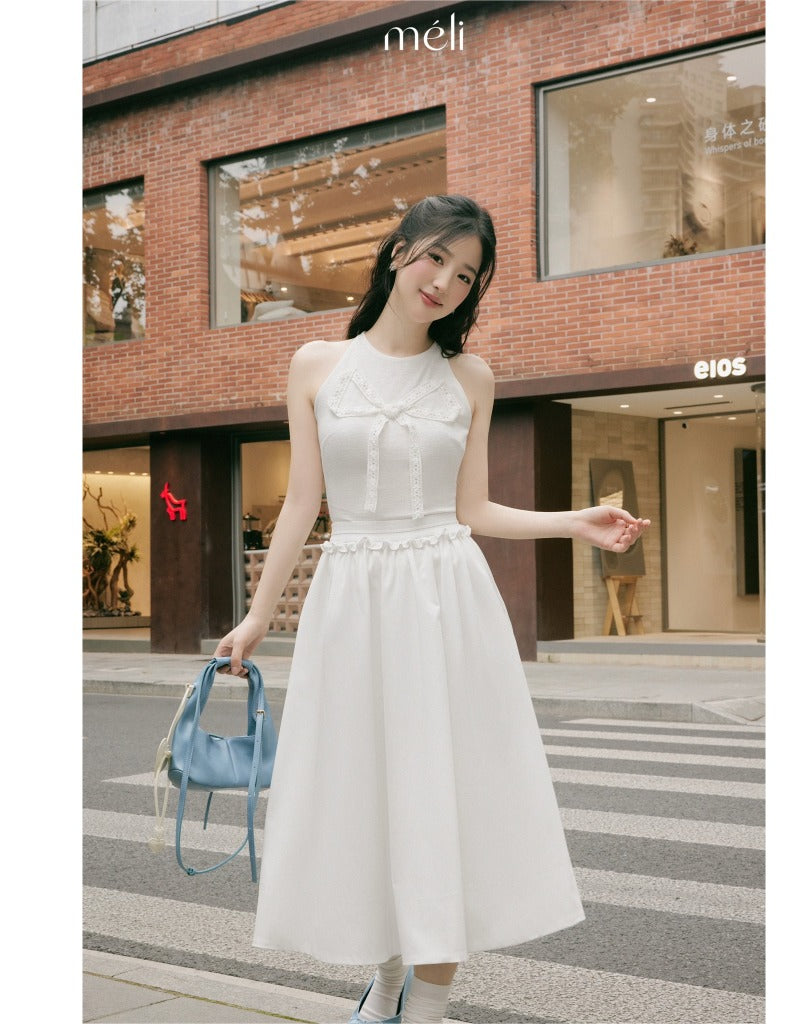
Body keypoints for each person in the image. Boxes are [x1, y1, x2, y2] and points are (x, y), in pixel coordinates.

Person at [214, 195, 650, 1024]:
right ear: (397, 252)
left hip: (445, 598)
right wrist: (257, 618)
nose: (445, 282)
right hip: (351, 600)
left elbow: (475, 510)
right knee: (369, 793)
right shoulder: (316, 364)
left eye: (466, 274)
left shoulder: (469, 377)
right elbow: (303, 502)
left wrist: (576, 524)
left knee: (437, 796)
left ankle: (430, 1005)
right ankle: (384, 988)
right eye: (436, 259)